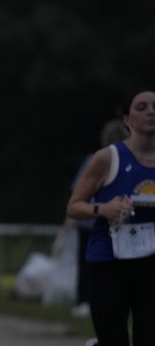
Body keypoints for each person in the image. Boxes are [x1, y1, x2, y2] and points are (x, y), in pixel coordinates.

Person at [69, 88, 155, 346]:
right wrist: (102, 210)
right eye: (142, 107)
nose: (151, 111)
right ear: (127, 119)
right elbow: (74, 205)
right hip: (109, 263)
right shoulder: (108, 158)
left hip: (151, 264)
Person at [68, 118, 131, 318]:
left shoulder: (95, 159)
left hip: (90, 223)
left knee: (87, 264)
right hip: (114, 223)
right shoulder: (127, 161)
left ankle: (84, 301)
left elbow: (76, 194)